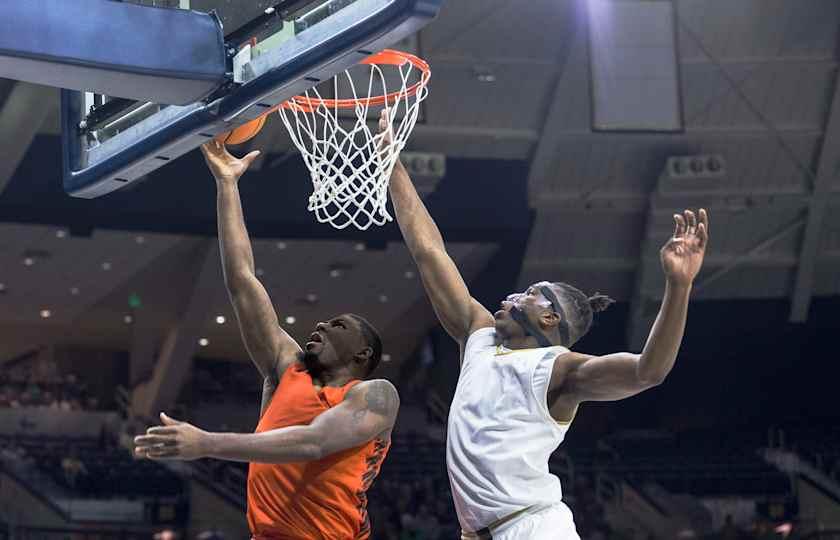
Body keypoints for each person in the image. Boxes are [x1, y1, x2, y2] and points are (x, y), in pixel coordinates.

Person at [381, 110, 709, 539]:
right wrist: (392, 162)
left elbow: (649, 371)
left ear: (550, 316)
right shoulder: (477, 335)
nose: (515, 294)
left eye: (531, 292)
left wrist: (678, 286)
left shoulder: (559, 369)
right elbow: (429, 252)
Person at [134, 140, 400, 540]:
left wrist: (206, 442)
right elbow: (242, 281)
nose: (321, 327)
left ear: (363, 354)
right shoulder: (287, 367)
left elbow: (315, 442)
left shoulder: (375, 395)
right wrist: (227, 185)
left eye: (338, 326)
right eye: (325, 323)